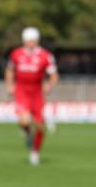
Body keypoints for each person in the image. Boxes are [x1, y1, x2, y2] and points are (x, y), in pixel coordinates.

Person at [5, 27, 58, 166]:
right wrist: (9, 84)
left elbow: (54, 75)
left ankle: (35, 152)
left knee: (40, 126)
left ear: (37, 40)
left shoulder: (45, 55)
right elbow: (10, 70)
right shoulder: (16, 54)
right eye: (28, 41)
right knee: (24, 121)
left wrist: (50, 85)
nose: (30, 43)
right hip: (21, 90)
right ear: (24, 41)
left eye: (33, 40)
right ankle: (28, 134)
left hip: (37, 92)